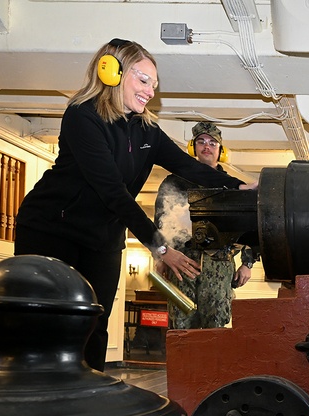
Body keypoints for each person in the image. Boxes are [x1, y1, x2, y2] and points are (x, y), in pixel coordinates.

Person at [13, 38, 255, 371]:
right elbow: (113, 194)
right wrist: (161, 249)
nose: (150, 91)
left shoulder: (147, 131)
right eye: (143, 80)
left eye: (154, 85)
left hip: (103, 238)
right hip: (52, 229)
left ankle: (90, 400)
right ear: (111, 72)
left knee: (94, 323)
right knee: (45, 323)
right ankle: (33, 399)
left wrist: (241, 186)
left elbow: (191, 169)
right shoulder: (83, 116)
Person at [153, 121, 258, 329]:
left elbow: (251, 226)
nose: (206, 146)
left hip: (219, 265)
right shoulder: (174, 183)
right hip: (182, 262)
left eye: (212, 143)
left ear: (221, 151)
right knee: (180, 325)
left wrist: (248, 263)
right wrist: (161, 256)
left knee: (216, 327)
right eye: (201, 141)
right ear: (193, 148)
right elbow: (160, 221)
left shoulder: (231, 185)